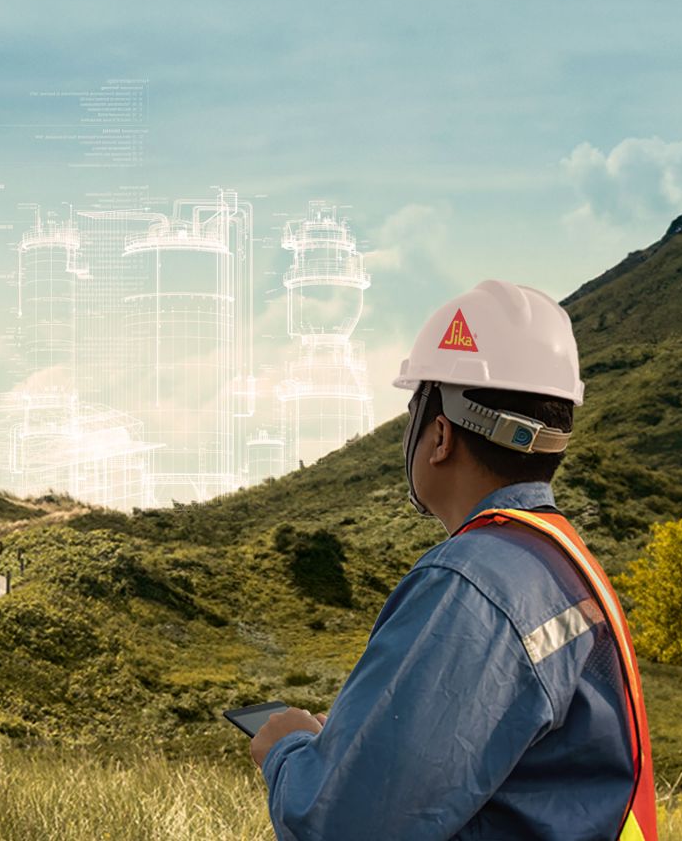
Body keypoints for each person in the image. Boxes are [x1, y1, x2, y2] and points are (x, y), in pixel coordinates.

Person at [250, 280, 657, 840]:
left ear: (439, 434)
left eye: (416, 406)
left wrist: (288, 750)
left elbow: (344, 826)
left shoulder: (472, 580)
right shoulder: (560, 561)